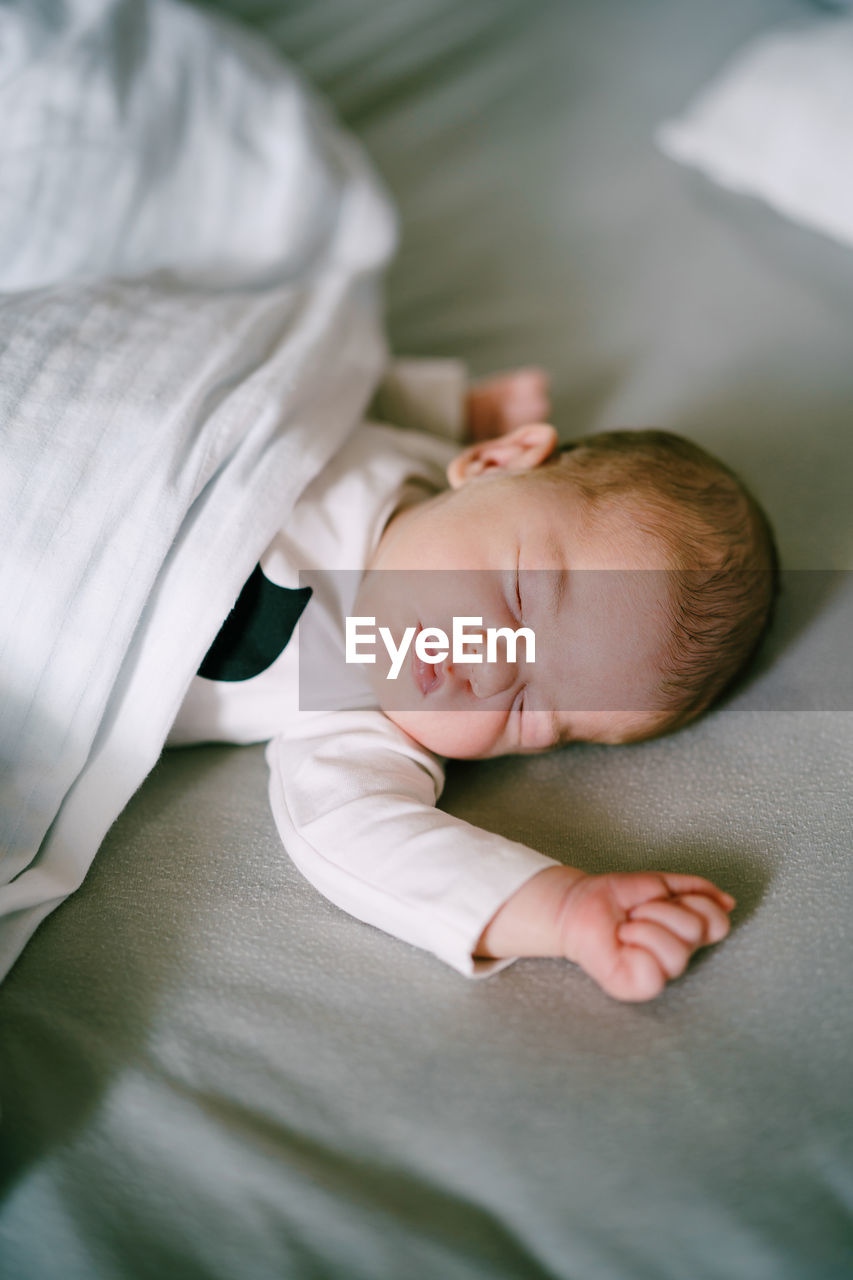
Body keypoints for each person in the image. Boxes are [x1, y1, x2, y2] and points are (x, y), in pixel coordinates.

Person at [169, 359, 777, 1002]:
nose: (487, 669)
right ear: (494, 462)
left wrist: (562, 909)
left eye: (529, 712)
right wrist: (451, 409)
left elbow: (360, 834)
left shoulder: (353, 708)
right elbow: (315, 377)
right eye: (518, 599)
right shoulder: (411, 455)